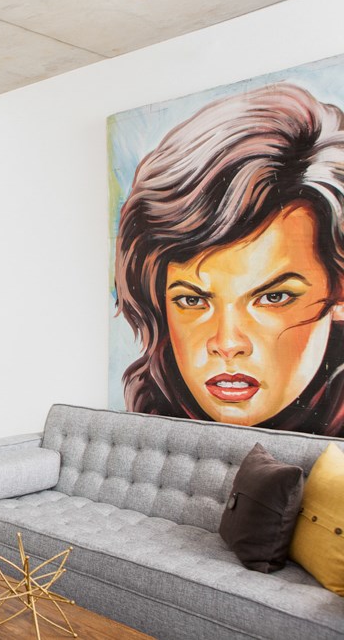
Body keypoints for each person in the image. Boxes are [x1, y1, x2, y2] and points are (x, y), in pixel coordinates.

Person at [114, 82, 344, 437]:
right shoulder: (150, 426)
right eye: (192, 300)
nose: (227, 343)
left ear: (339, 293)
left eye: (273, 297)